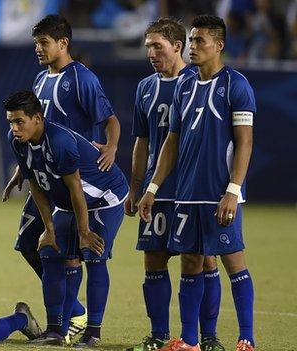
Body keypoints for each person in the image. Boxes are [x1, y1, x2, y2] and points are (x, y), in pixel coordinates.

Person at [137, 15, 256, 351]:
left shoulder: (236, 85)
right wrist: (152, 189)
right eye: (191, 41)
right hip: (186, 196)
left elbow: (245, 142)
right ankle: (189, 341)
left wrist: (233, 190)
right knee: (190, 261)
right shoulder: (185, 87)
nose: (193, 47)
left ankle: (246, 338)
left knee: (233, 262)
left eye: (200, 41)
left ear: (218, 45)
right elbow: (170, 143)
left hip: (219, 193)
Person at [2, 14, 121, 344]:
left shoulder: (82, 79)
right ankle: (73, 313)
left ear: (63, 43)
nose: (38, 49)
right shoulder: (40, 81)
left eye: (43, 43)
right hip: (48, 174)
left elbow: (109, 119)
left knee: (70, 252)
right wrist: (21, 170)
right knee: (31, 243)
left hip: (76, 176)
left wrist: (110, 147)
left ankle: (74, 320)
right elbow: (31, 130)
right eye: (36, 43)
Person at [125, 18, 225, 351]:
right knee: (153, 257)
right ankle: (158, 336)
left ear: (178, 46)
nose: (151, 53)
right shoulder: (145, 87)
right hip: (157, 191)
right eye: (148, 47)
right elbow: (141, 140)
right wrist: (136, 187)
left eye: (158, 46)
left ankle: (206, 337)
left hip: (192, 190)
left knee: (202, 260)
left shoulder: (197, 81)